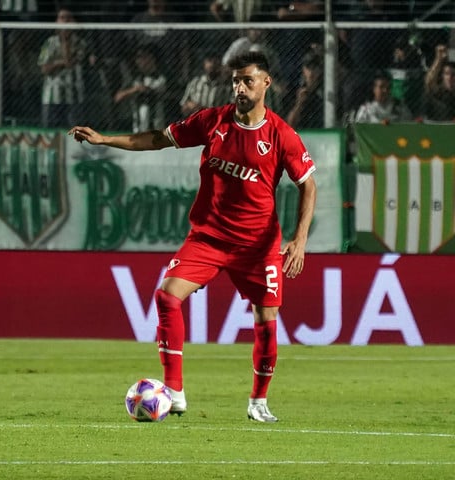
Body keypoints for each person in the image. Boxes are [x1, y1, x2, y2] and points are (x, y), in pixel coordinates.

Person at [69, 51, 317, 423]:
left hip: (258, 247)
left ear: (266, 83)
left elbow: (308, 186)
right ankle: (175, 392)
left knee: (266, 319)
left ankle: (258, 402)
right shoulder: (212, 122)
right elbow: (157, 139)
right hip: (208, 238)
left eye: (248, 80)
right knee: (167, 295)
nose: (239, 87)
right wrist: (105, 139)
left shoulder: (281, 135)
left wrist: (299, 240)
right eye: (235, 80)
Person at [37, 7, 87, 128]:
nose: (65, 21)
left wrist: (65, 40)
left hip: (74, 96)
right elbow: (44, 68)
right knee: (50, 131)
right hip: (52, 96)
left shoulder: (81, 43)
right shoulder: (49, 42)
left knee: (75, 133)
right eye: (62, 18)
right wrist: (60, 63)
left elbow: (70, 62)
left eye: (68, 18)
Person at [114, 44, 168, 133]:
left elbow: (156, 90)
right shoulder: (135, 78)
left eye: (143, 57)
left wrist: (146, 89)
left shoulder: (160, 77)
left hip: (156, 127)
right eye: (138, 58)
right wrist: (135, 89)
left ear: (152, 59)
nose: (139, 61)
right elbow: (118, 97)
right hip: (137, 127)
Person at [180, 53, 232, 117]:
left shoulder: (227, 86)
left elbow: (231, 110)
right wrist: (189, 107)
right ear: (204, 64)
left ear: (220, 65)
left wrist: (201, 109)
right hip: (196, 121)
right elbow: (184, 106)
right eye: (209, 60)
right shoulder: (195, 82)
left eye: (215, 61)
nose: (212, 64)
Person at [423, 44, 455, 122]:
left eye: (454, 74)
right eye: (446, 74)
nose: (450, 78)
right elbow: (429, 82)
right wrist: (438, 59)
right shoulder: (439, 91)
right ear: (442, 76)